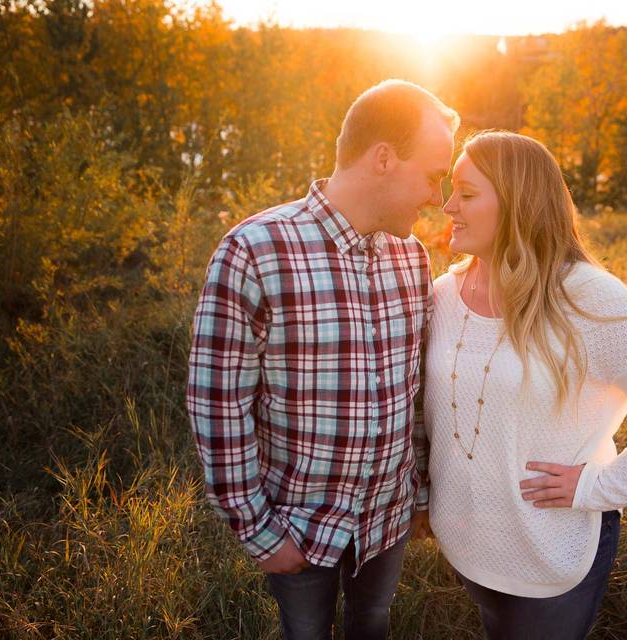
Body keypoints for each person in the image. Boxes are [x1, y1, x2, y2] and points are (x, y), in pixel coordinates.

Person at [413, 130, 627, 640]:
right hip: (469, 544)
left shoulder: (585, 297)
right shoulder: (443, 294)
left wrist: (600, 486)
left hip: (551, 552)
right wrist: (428, 500)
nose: (448, 206)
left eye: (467, 194)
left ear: (518, 203)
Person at [186, 79, 458, 640]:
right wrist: (258, 531)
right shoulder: (255, 250)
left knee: (373, 624)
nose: (437, 196)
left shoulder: (411, 258)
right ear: (383, 158)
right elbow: (217, 406)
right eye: (433, 175)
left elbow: (417, 389)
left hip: (388, 516)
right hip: (299, 523)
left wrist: (422, 495)